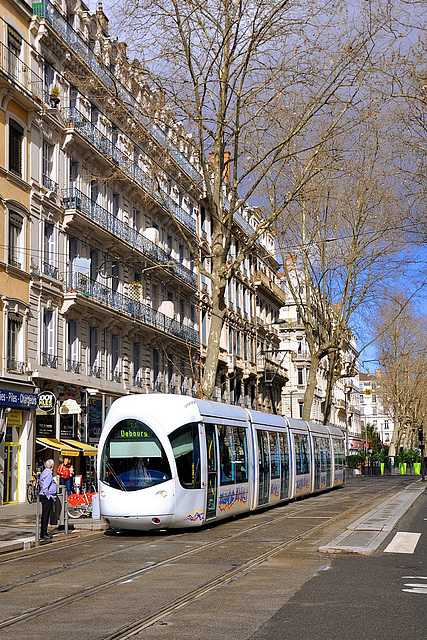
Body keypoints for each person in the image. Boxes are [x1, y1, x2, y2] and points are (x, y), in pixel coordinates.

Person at [39, 459, 57, 541]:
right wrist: (48, 495)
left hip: (45, 496)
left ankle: (43, 533)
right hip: (46, 497)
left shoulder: (44, 472)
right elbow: (45, 486)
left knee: (45, 515)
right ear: (52, 466)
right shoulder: (48, 474)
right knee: (45, 515)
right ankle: (44, 534)